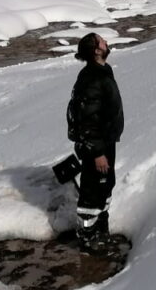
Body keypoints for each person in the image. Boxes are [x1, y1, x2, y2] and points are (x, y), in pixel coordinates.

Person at [67, 32, 124, 252]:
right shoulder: (92, 78)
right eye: (102, 40)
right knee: (92, 190)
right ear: (97, 50)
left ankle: (101, 228)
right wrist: (98, 152)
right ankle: (87, 238)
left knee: (105, 184)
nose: (106, 42)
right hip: (96, 147)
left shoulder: (101, 71)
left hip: (105, 142)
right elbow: (87, 120)